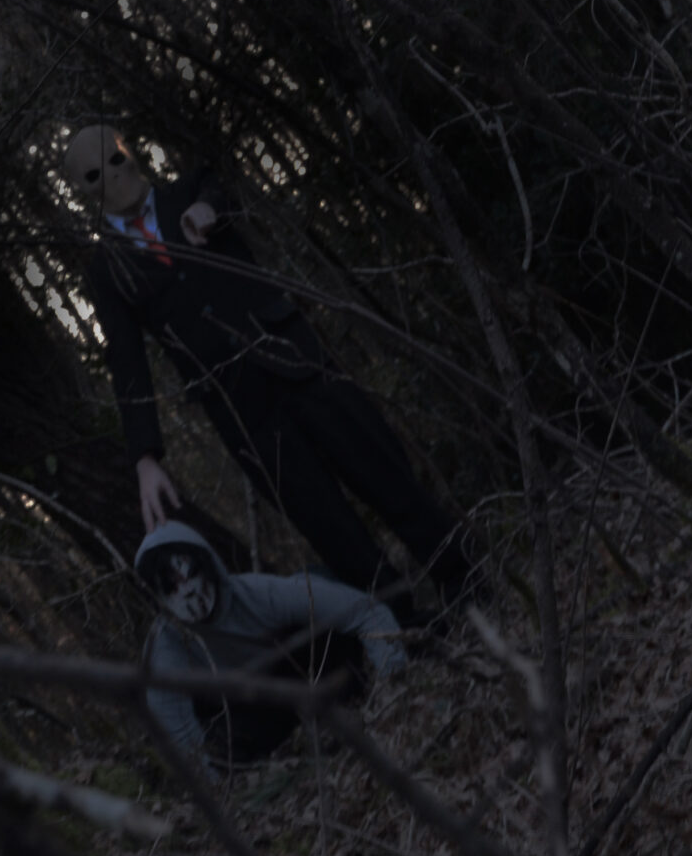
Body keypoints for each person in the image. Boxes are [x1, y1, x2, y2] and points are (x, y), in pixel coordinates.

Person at [62, 123, 474, 614]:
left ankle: (463, 579)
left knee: (379, 466)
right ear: (82, 191)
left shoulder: (190, 189)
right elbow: (126, 360)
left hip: (295, 360)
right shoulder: (108, 270)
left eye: (114, 159)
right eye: (94, 175)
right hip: (241, 410)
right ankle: (406, 624)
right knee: (326, 522)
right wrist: (145, 458)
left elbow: (223, 191)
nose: (112, 176)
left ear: (129, 151)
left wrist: (208, 209)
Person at [137, 521, 403, 762]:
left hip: (309, 674)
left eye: (192, 572)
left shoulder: (257, 594)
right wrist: (216, 782)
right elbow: (179, 735)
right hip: (250, 711)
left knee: (319, 590)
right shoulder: (166, 648)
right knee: (226, 743)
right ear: (158, 596)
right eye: (171, 586)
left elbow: (364, 611)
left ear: (208, 564)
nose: (188, 590)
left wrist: (393, 687)